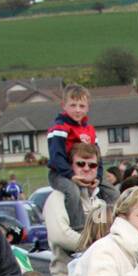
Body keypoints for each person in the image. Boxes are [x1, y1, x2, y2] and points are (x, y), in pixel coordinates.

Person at [43, 142, 113, 276]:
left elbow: (106, 234)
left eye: (92, 165)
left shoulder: (99, 201)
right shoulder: (58, 197)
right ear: (70, 166)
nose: (86, 169)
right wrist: (97, 246)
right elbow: (60, 235)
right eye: (80, 164)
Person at [46, 83, 105, 223]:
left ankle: (108, 226)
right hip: (61, 174)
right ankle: (78, 227)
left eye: (82, 106)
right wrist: (71, 175)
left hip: (87, 172)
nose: (77, 110)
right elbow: (56, 156)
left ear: (88, 107)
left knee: (111, 192)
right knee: (73, 192)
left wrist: (99, 177)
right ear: (64, 106)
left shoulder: (89, 130)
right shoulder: (60, 128)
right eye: (73, 105)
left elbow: (98, 158)